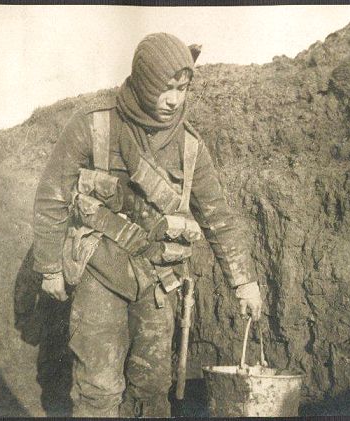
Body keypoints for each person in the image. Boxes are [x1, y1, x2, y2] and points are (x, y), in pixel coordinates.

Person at [32, 32, 262, 418]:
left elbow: (218, 218)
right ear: (143, 82)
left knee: (152, 392)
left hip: (158, 283)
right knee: (97, 391)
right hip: (99, 275)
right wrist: (50, 267)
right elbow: (52, 194)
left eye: (182, 88)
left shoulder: (191, 148)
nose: (174, 100)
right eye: (164, 89)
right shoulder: (94, 128)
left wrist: (245, 282)